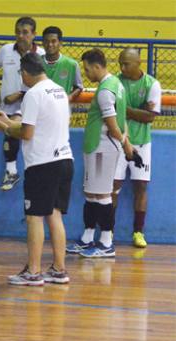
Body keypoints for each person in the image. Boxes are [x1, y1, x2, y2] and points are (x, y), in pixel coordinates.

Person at [0, 53, 74, 286]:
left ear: (25, 73)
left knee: (34, 217)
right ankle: (58, 269)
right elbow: (40, 125)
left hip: (43, 164)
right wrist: (7, 123)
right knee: (54, 215)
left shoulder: (33, 95)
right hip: (65, 160)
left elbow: (26, 133)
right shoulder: (59, 91)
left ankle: (33, 272)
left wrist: (6, 129)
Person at [68, 48, 138, 258]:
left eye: (88, 69)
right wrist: (126, 141)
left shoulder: (107, 90)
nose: (87, 74)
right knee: (91, 193)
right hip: (97, 147)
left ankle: (106, 242)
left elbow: (113, 123)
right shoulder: (116, 84)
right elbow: (122, 119)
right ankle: (88, 238)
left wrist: (126, 145)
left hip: (102, 148)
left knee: (103, 194)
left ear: (97, 66)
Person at [112, 48, 162, 248]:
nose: (122, 67)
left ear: (138, 62)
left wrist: (124, 109)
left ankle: (138, 232)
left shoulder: (152, 84)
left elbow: (150, 116)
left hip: (141, 141)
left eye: (127, 64)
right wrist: (139, 110)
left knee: (140, 187)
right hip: (118, 141)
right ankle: (108, 230)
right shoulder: (114, 81)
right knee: (113, 187)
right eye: (120, 63)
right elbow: (112, 109)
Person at [0, 17, 45, 191]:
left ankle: (12, 171)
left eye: (25, 32)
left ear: (34, 34)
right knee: (7, 130)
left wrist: (20, 94)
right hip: (7, 106)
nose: (21, 36)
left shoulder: (42, 55)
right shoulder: (6, 50)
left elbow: (45, 82)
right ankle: (13, 171)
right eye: (18, 32)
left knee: (13, 129)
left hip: (31, 106)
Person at [41, 26, 83, 100]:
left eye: (53, 41)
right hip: (40, 109)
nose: (50, 44)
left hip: (62, 109)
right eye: (47, 41)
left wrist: (68, 98)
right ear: (43, 43)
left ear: (60, 43)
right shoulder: (36, 63)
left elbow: (78, 87)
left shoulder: (72, 64)